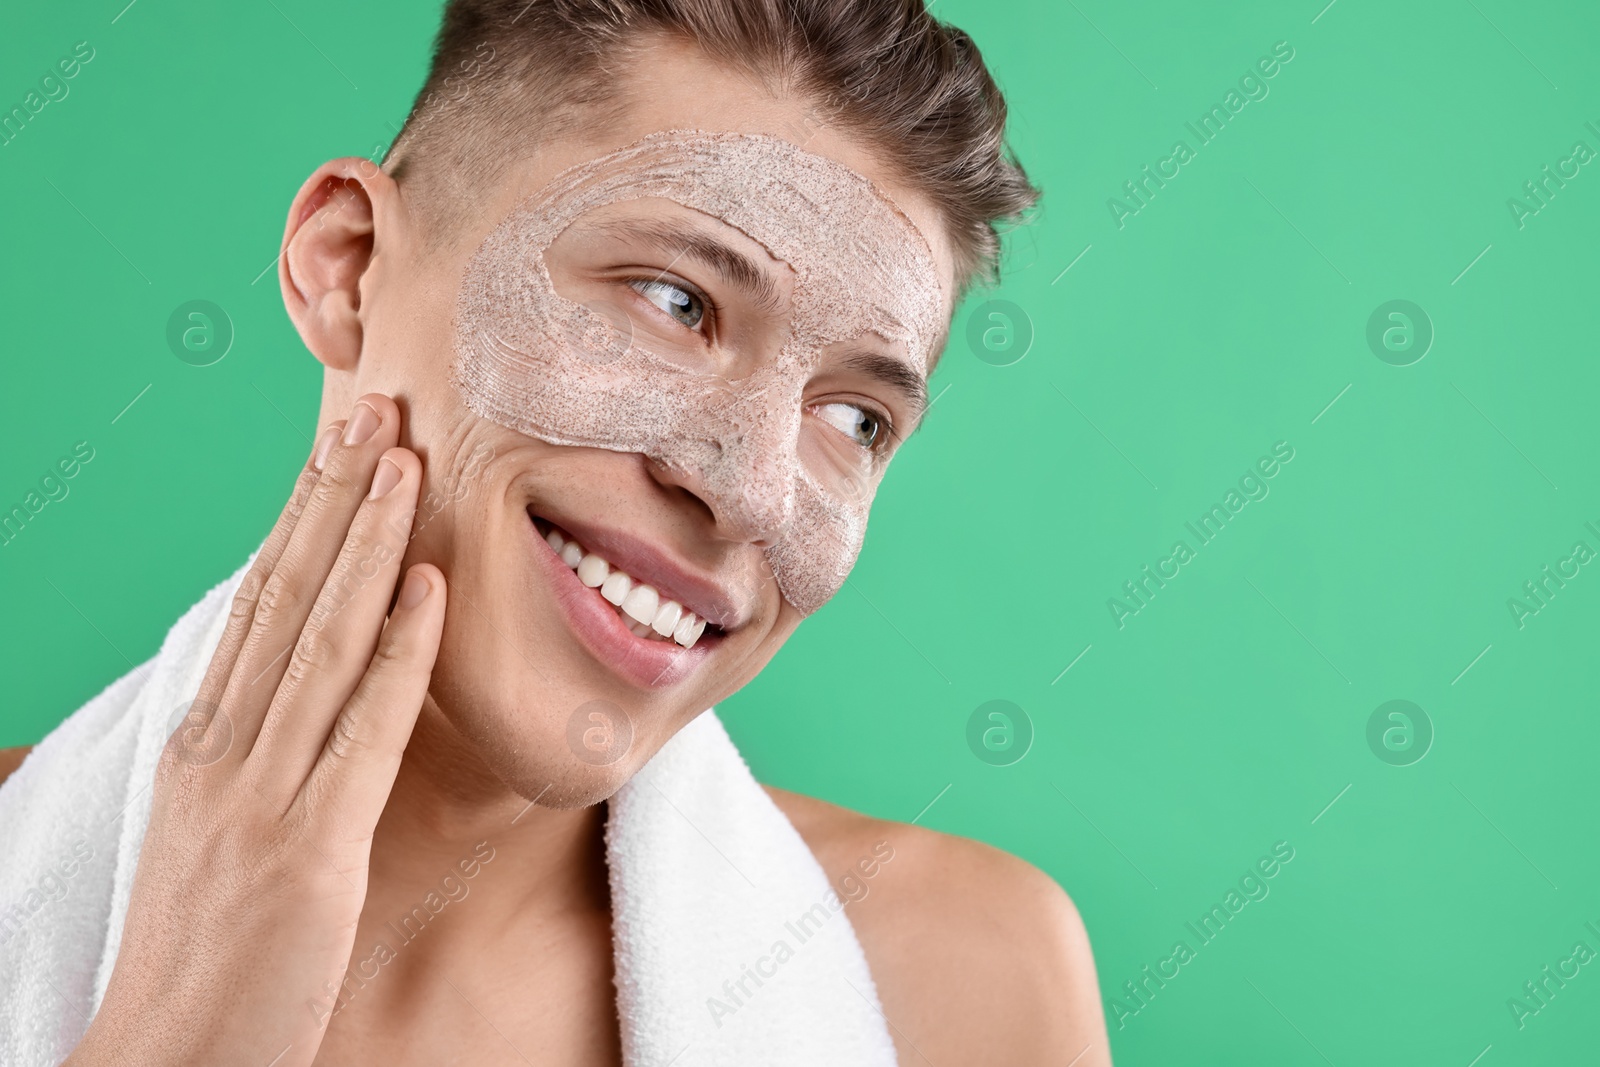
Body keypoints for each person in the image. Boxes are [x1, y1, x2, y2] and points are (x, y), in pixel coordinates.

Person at [2, 0, 1110, 1062]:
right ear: (345, 267)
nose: (756, 493)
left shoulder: (964, 980)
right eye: (675, 301)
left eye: (854, 416)